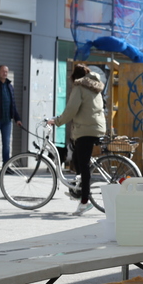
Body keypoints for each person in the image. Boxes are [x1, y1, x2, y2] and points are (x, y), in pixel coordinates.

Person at [48, 63, 105, 216]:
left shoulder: (79, 87)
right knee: (78, 160)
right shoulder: (95, 86)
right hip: (95, 126)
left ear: (75, 77)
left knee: (83, 165)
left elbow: (71, 110)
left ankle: (85, 201)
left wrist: (57, 121)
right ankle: (78, 191)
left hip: (86, 128)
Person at [0, 64, 23, 164]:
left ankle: (6, 166)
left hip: (7, 121)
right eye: (3, 71)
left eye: (6, 72)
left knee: (6, 144)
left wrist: (17, 119)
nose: (5, 73)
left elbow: (13, 104)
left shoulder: (10, 87)